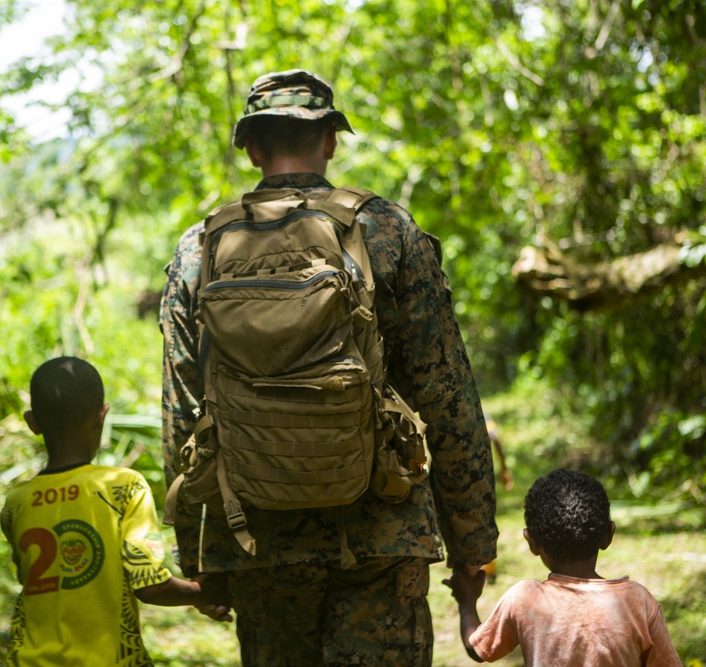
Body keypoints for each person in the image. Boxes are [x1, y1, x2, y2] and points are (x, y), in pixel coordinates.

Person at [160, 69, 498, 665]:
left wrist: (201, 556)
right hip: (382, 528)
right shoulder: (385, 230)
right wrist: (472, 539)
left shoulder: (201, 247)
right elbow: (447, 394)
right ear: (331, 140)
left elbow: (184, 407)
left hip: (255, 533)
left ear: (253, 147)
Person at [0, 356, 228, 666]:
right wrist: (204, 592)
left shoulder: (16, 502)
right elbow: (150, 586)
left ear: (32, 422)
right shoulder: (123, 487)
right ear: (101, 416)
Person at [446, 469, 683, 666]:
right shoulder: (637, 602)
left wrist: (467, 602)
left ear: (532, 543)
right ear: (608, 535)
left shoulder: (524, 599)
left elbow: (476, 648)